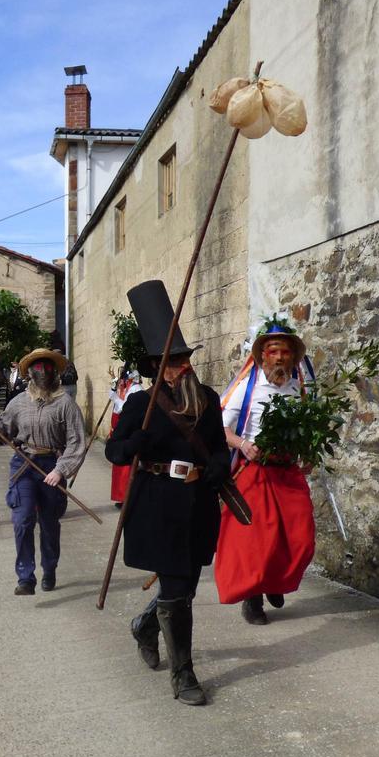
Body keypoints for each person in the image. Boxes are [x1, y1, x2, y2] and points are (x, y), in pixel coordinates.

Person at [105, 280, 229, 706]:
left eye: (184, 359)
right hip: (157, 504)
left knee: (185, 589)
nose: (182, 366)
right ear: (157, 366)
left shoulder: (207, 400)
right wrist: (134, 445)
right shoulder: (140, 405)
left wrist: (218, 465)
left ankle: (145, 625)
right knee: (177, 592)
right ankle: (184, 675)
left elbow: (217, 447)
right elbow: (114, 451)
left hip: (197, 506)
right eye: (173, 361)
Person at [215, 321, 317, 624]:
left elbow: (310, 427)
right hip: (255, 472)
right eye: (274, 352)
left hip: (287, 473)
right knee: (257, 541)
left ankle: (276, 581)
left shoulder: (299, 389)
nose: (280, 358)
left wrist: (309, 452)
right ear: (262, 356)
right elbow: (220, 429)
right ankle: (253, 600)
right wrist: (243, 444)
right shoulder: (247, 388)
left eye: (286, 352)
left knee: (301, 538)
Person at [0, 347, 86, 596]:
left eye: (48, 366)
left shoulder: (66, 404)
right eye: (38, 367)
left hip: (51, 465)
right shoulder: (18, 403)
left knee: (49, 523)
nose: (43, 371)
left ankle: (49, 568)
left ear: (54, 372)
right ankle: (25, 578)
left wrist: (61, 470)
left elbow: (76, 442)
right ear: (30, 372)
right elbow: (1, 433)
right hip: (24, 465)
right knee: (23, 519)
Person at [107, 366, 142, 507]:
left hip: (130, 433)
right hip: (122, 432)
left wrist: (115, 398)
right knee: (119, 470)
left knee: (126, 471)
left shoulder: (136, 389)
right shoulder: (127, 389)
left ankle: (127, 498)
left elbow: (127, 408)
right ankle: (122, 497)